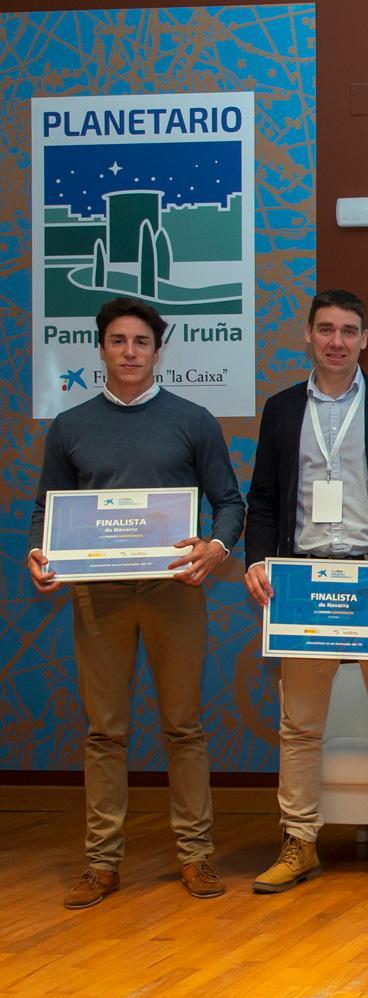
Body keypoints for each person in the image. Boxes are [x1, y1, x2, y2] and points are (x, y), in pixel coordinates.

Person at [28, 297, 244, 909]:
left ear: (158, 350)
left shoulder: (193, 420)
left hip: (175, 590)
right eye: (118, 341)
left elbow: (230, 501)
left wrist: (217, 546)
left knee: (184, 726)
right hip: (99, 595)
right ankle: (101, 862)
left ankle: (196, 857)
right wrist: (39, 555)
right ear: (101, 348)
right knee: (105, 732)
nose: (129, 352)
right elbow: (48, 510)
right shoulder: (70, 427)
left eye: (141, 342)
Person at [243, 289, 368, 897]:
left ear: (365, 339)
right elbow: (264, 499)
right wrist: (256, 561)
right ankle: (299, 842)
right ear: (307, 335)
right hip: (302, 582)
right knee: (299, 725)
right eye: (326, 329)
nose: (337, 340)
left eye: (349, 330)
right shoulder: (281, 410)